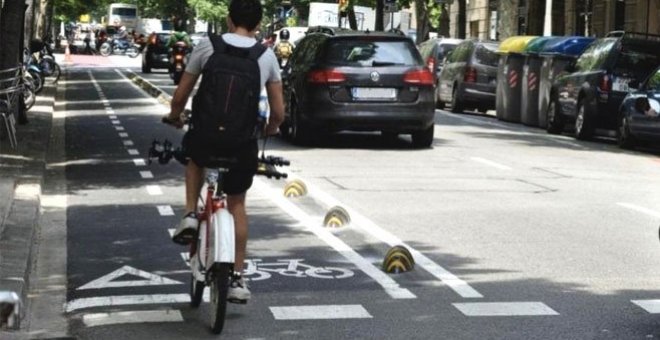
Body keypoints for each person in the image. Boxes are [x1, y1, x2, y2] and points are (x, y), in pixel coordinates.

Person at [163, 0, 284, 303]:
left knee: (193, 159)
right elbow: (278, 112)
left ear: (229, 20)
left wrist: (175, 116)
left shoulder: (208, 46)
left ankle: (191, 214)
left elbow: (181, 95)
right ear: (258, 24)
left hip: (205, 135)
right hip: (241, 142)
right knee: (238, 204)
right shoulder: (266, 55)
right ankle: (238, 277)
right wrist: (270, 128)